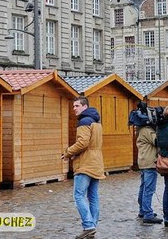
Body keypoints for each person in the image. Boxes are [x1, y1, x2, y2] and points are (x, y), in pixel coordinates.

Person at [62, 96, 105, 239]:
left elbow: (82, 143)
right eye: (73, 106)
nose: (74, 108)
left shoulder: (84, 122)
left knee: (79, 195)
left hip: (85, 164)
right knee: (93, 196)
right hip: (96, 162)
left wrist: (68, 153)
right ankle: (92, 225)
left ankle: (88, 225)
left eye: (77, 106)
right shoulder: (97, 122)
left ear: (84, 107)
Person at [134, 104, 163, 224]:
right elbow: (157, 141)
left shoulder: (141, 129)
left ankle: (142, 210)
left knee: (143, 187)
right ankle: (147, 213)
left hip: (144, 161)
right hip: (149, 162)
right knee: (148, 189)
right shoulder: (147, 130)